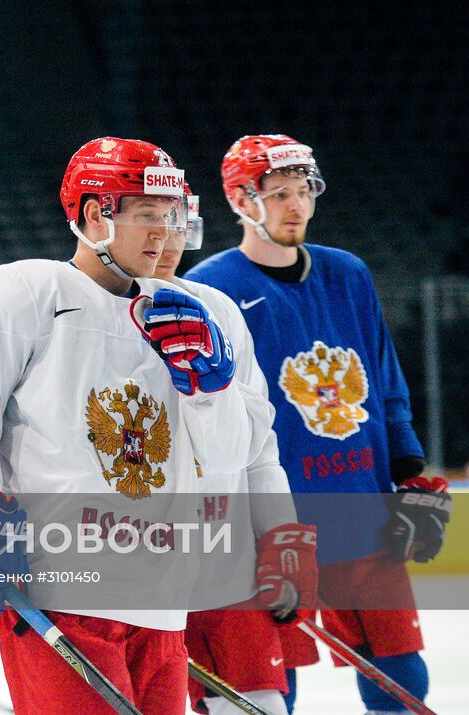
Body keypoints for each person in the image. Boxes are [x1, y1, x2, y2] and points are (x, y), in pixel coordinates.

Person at [0, 137, 295, 715]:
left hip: (163, 596)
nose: (163, 233)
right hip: (60, 586)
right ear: (94, 213)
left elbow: (229, 461)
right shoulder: (22, 294)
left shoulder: (195, 313)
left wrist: (210, 389)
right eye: (147, 215)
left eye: (171, 216)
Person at [187, 135, 450, 715]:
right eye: (278, 193)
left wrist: (407, 466)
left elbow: (383, 373)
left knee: (400, 667)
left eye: (303, 190)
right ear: (239, 200)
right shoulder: (211, 287)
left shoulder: (347, 273)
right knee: (274, 675)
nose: (295, 205)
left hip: (361, 502)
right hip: (275, 516)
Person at [152, 189, 310, 715]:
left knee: (257, 701)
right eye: (155, 223)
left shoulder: (217, 309)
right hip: (133, 558)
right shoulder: (80, 312)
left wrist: (281, 539)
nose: (168, 241)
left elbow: (260, 447)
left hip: (225, 556)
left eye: (179, 225)